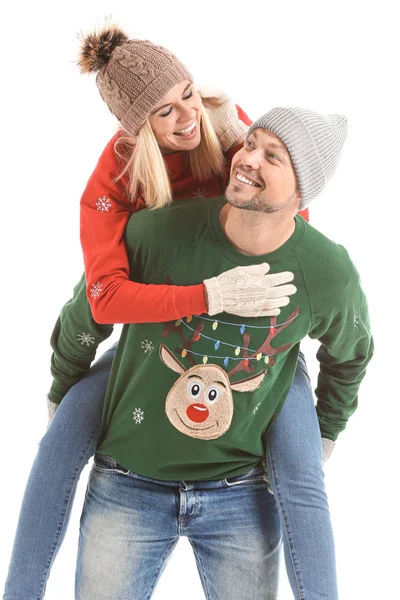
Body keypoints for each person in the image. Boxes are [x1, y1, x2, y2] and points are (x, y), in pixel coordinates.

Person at [2, 25, 335, 600]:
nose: (187, 117)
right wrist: (206, 296)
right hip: (161, 340)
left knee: (303, 477)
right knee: (58, 442)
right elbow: (101, 297)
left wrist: (232, 129)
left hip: (253, 344)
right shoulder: (116, 181)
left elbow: (287, 222)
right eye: (164, 111)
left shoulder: (226, 131)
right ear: (137, 128)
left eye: (187, 92)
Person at [69, 106, 373, 598]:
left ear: (301, 191)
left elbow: (352, 355)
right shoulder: (160, 232)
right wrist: (63, 394)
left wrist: (327, 432)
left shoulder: (326, 271)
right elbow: (85, 313)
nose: (247, 159)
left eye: (272, 156)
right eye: (250, 143)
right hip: (127, 483)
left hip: (243, 495)